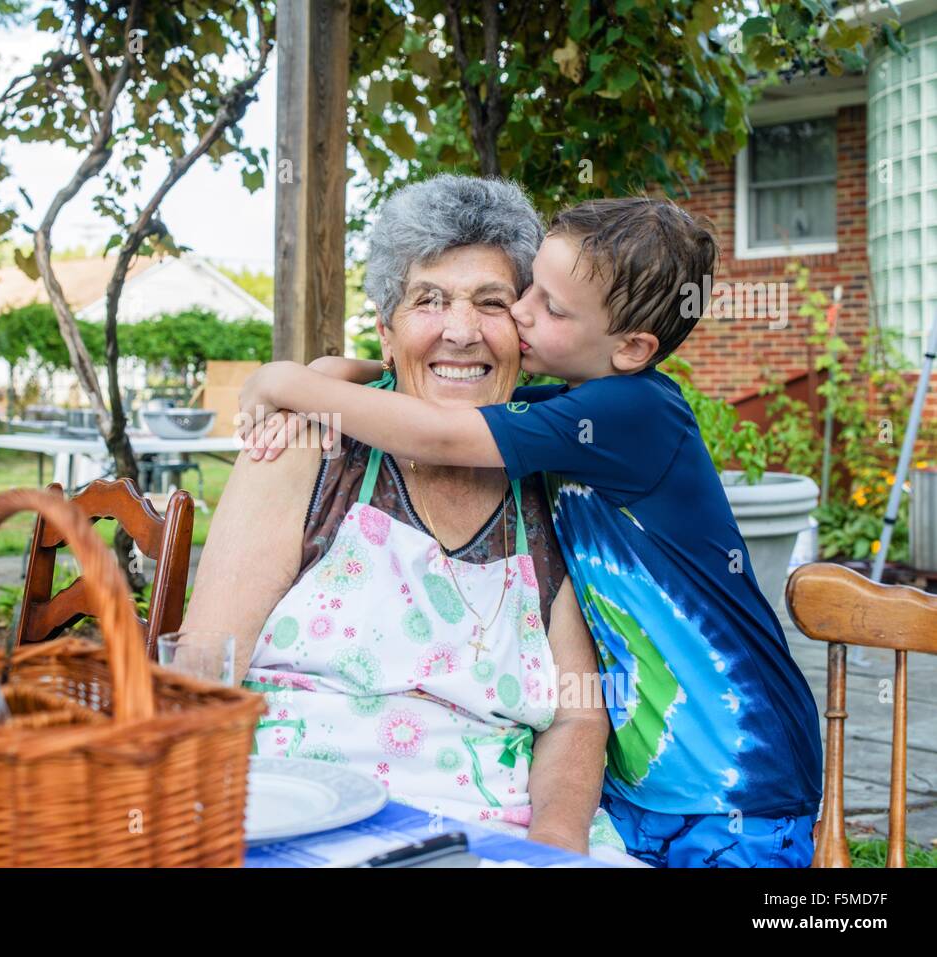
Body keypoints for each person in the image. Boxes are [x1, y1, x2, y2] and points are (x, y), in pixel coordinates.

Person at [238, 187, 823, 867]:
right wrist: (349, 369)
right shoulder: (574, 408)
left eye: (541, 304)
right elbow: (446, 384)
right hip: (648, 782)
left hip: (736, 771)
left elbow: (445, 431)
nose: (516, 313)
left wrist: (291, 381)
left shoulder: (632, 413)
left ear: (632, 347)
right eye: (525, 292)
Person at [182, 176, 635, 862]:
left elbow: (576, 711)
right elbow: (204, 664)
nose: (461, 329)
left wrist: (552, 849)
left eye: (491, 302)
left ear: (524, 330)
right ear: (386, 333)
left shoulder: (557, 485)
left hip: (493, 831)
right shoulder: (309, 446)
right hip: (295, 814)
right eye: (429, 300)